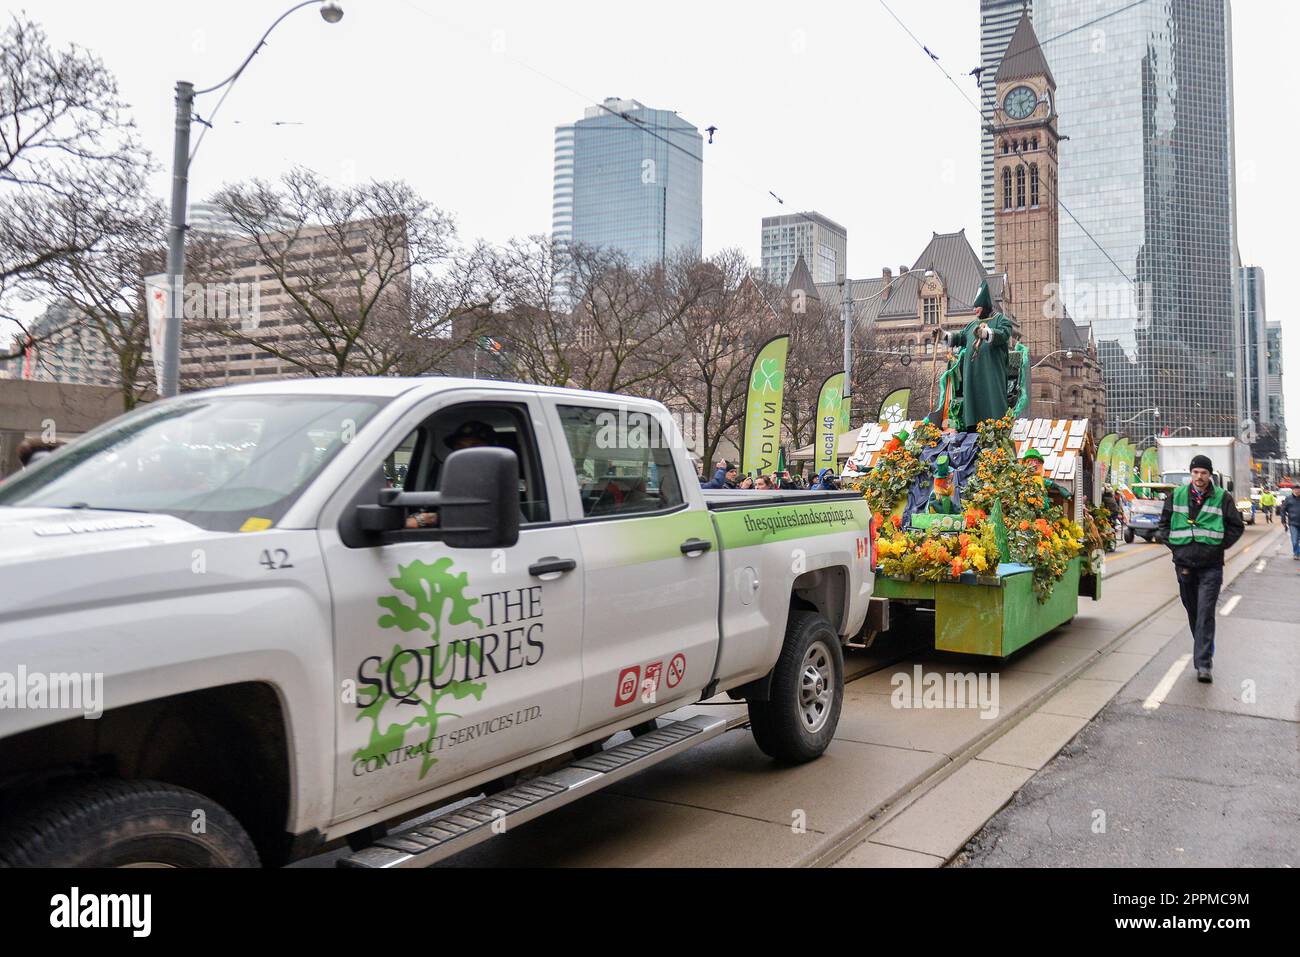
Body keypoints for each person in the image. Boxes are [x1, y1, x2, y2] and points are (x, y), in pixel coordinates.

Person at [1155, 455, 1244, 683]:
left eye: (1203, 473)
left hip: (1211, 567)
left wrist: (1219, 547)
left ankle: (1204, 664)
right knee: (1193, 612)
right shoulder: (1177, 496)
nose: (1199, 477)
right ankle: (1203, 646)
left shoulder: (1222, 498)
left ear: (1210, 475)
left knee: (1205, 613)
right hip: (1184, 565)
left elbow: (1236, 526)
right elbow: (1163, 525)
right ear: (1191, 473)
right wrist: (1175, 548)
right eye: (1196, 472)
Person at [943, 280, 1014, 429]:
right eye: (974, 307)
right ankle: (972, 426)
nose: (975, 310)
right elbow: (961, 337)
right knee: (972, 405)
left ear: (986, 306)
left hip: (991, 373)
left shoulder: (1000, 320)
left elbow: (1004, 334)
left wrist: (986, 333)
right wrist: (944, 336)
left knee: (992, 402)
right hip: (972, 375)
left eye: (978, 307)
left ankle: (996, 427)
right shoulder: (971, 325)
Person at [406, 419, 496, 529]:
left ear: (492, 450)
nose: (465, 452)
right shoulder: (452, 476)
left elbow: (481, 514)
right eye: (460, 447)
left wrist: (427, 519)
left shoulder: (498, 477)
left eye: (475, 446)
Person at [1279, 485, 1300, 560]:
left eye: (1298, 489)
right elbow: (1282, 510)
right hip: (1293, 523)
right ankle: (1296, 553)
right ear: (1293, 490)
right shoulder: (1288, 499)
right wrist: (1283, 520)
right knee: (1295, 540)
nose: (1297, 491)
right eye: (1296, 489)